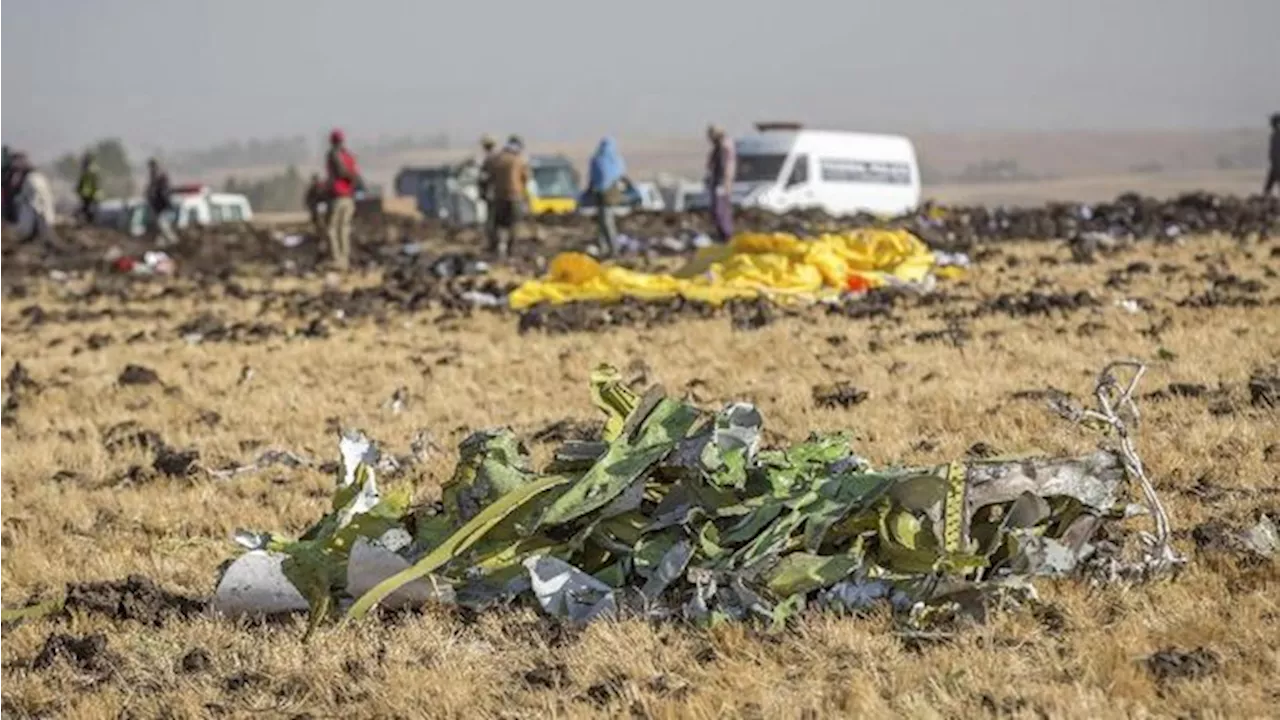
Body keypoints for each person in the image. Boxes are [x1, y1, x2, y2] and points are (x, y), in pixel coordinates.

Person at [482, 135, 529, 258]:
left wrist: (485, 193)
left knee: (496, 225)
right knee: (514, 225)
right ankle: (510, 250)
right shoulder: (519, 160)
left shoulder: (496, 159)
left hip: (499, 197)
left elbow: (486, 177)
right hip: (516, 197)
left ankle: (495, 248)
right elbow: (526, 178)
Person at [324, 128, 360, 271]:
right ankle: (344, 259)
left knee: (331, 229)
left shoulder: (334, 155)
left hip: (337, 197)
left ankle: (336, 259)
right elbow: (354, 175)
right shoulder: (349, 156)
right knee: (343, 229)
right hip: (349, 197)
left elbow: (340, 171)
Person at [587, 136, 628, 257]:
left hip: (604, 196)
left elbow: (594, 178)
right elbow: (620, 176)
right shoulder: (615, 160)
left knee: (606, 222)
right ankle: (606, 247)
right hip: (609, 195)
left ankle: (612, 248)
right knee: (603, 222)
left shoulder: (597, 159)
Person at [9, 154, 57, 243]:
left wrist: (19, 199)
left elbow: (33, 200)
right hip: (41, 213)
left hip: (35, 211)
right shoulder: (38, 177)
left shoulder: (31, 179)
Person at [705, 124, 735, 242]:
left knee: (720, 209)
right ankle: (723, 233)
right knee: (718, 209)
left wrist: (724, 182)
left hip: (721, 182)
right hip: (719, 181)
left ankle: (725, 234)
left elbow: (725, 165)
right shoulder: (720, 146)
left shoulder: (723, 147)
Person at [145, 158, 177, 245]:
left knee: (162, 224)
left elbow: (164, 194)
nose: (152, 170)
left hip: (165, 208)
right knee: (160, 230)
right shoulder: (153, 180)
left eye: (153, 167)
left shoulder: (162, 179)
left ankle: (174, 242)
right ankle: (162, 246)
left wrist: (155, 192)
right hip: (158, 209)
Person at [76, 152, 102, 225]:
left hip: (89, 194)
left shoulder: (89, 171)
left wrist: (79, 189)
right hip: (88, 194)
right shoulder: (90, 171)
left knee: (88, 209)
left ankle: (90, 222)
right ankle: (89, 222)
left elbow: (93, 183)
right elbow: (82, 182)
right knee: (88, 209)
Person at [1266, 114, 1280, 197]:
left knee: (1268, 189)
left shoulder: (1275, 136)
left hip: (1276, 166)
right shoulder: (1275, 135)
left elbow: (1273, 153)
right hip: (1275, 166)